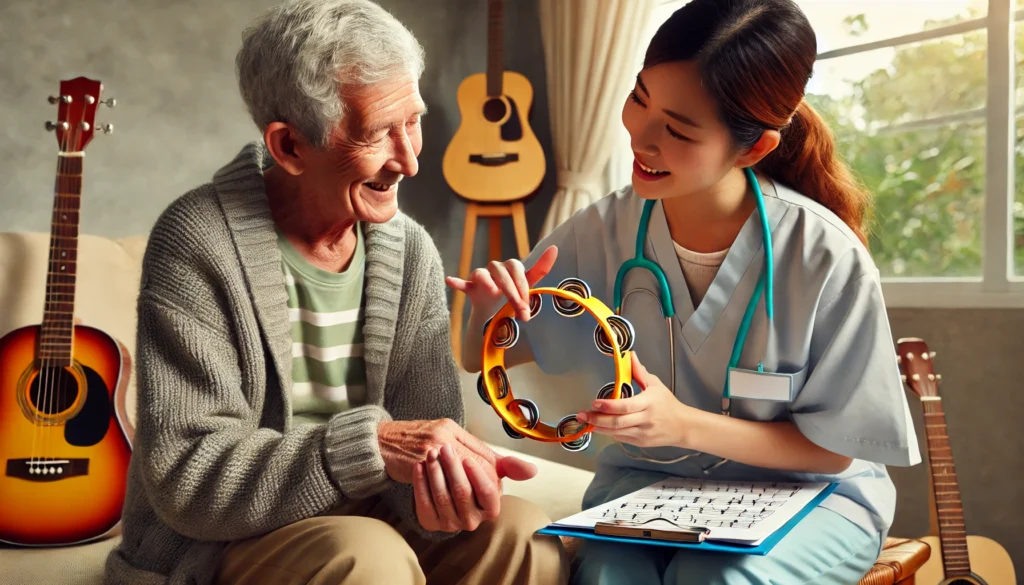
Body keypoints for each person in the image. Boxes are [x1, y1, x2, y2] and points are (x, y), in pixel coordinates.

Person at [449, 1, 921, 583]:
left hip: (813, 496)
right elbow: (484, 357)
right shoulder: (604, 228)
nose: (641, 140)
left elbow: (835, 450)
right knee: (605, 577)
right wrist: (489, 311)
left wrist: (682, 425)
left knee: (714, 579)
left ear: (752, 149)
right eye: (639, 99)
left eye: (676, 129)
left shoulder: (825, 255)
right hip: (647, 487)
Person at [103, 1, 569, 584]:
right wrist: (368, 445)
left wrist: (451, 484)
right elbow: (187, 478)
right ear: (290, 146)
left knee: (524, 538)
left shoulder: (408, 251)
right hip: (227, 540)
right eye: (378, 134)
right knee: (366, 556)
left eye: (414, 121)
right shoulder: (197, 242)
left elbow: (424, 437)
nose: (410, 160)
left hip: (372, 518)